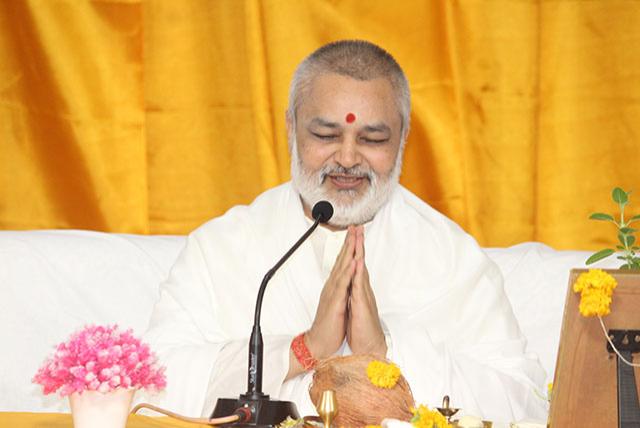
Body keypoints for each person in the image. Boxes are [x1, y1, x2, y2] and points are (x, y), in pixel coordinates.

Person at [145, 40, 547, 423]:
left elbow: (524, 403)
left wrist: (384, 352)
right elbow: (152, 388)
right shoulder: (222, 247)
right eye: (325, 135)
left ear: (404, 138)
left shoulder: (452, 258)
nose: (348, 158)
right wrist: (303, 350)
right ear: (291, 127)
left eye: (372, 138)